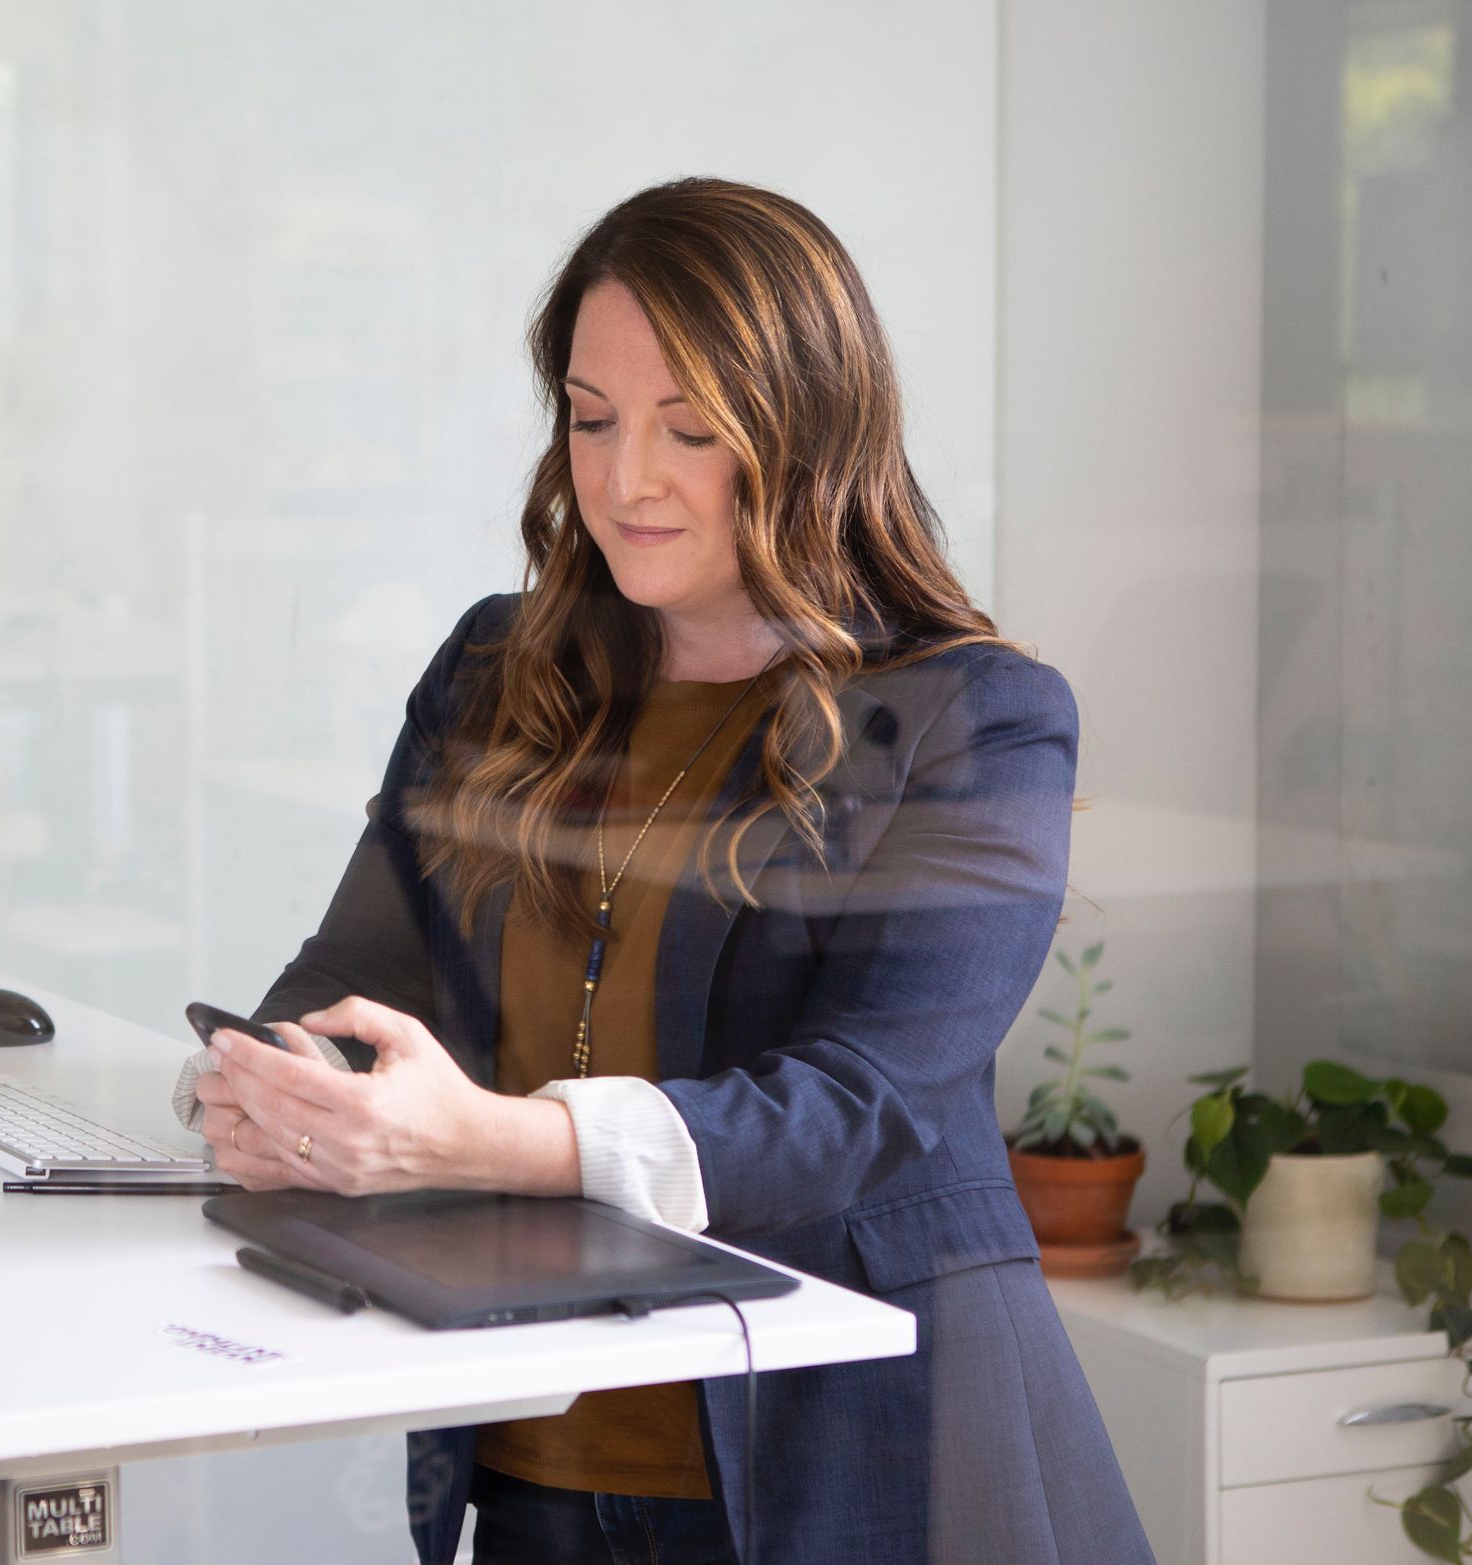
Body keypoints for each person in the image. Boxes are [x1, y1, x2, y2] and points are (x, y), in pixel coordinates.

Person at [172, 176, 1154, 1565]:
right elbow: (350, 982)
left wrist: (474, 1137)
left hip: (866, 1462)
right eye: (591, 417)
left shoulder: (974, 719)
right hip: (537, 1458)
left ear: (806, 432)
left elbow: (854, 1107)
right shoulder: (494, 672)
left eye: (690, 429)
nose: (625, 477)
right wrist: (273, 1089)